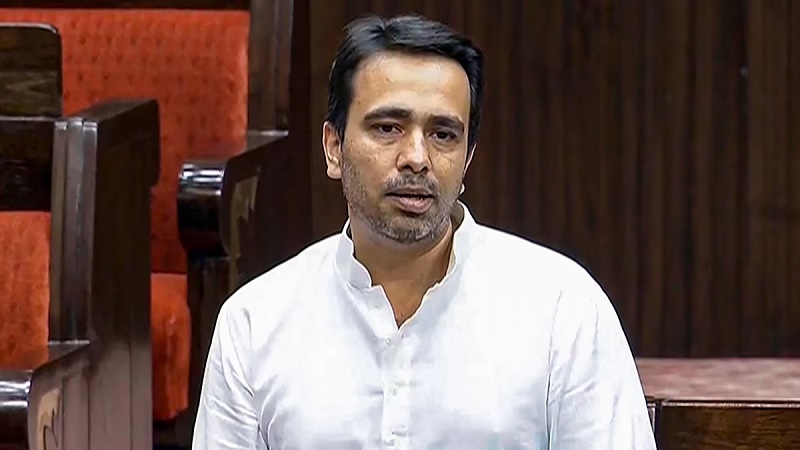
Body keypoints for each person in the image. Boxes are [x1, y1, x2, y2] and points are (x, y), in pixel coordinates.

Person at [193, 14, 656, 450]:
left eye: (443, 134)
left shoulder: (563, 309)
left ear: (467, 159)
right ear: (334, 148)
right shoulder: (254, 324)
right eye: (388, 128)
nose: (416, 158)